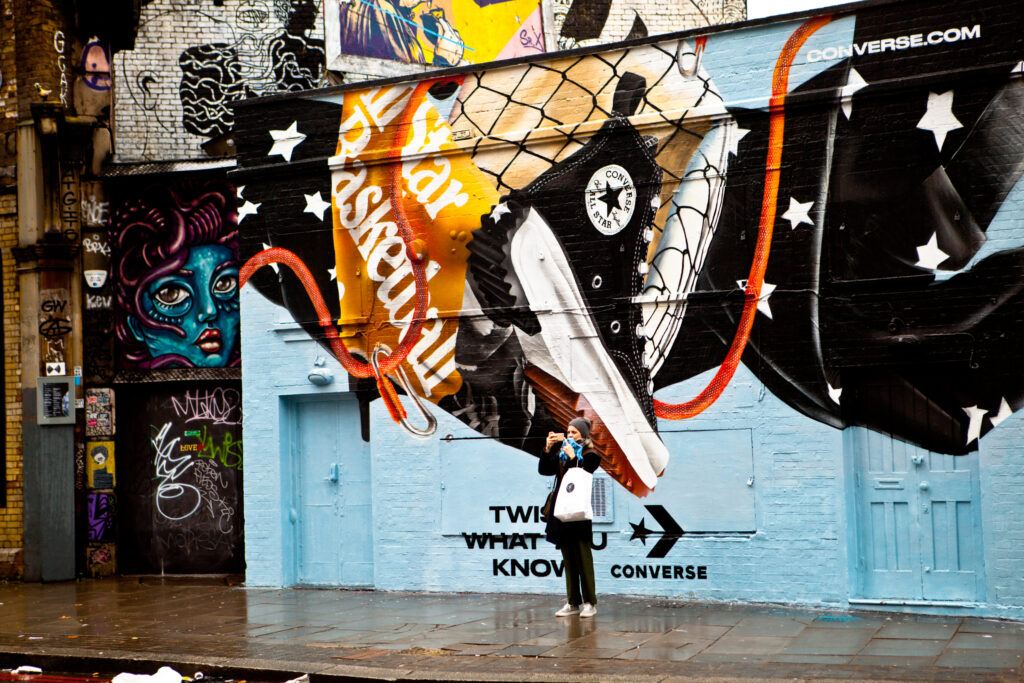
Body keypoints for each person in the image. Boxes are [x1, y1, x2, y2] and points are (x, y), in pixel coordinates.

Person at [539, 416, 601, 618]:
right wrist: (548, 449)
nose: (570, 435)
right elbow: (545, 470)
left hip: (579, 512)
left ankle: (590, 602)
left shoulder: (591, 454)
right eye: (568, 431)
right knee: (568, 559)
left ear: (583, 434)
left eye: (574, 432)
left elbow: (584, 475)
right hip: (562, 510)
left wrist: (573, 457)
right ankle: (572, 601)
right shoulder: (562, 453)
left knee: (583, 558)